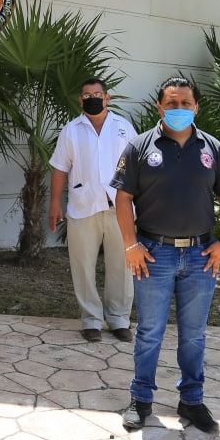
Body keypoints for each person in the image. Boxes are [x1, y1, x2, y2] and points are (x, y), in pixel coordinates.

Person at [113, 77, 220, 435]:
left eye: (185, 103)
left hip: (201, 256)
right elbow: (123, 198)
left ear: (196, 107)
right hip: (154, 254)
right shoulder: (139, 147)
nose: (179, 108)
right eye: (172, 103)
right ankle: (141, 400)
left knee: (194, 335)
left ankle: (192, 400)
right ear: (159, 107)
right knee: (149, 332)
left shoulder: (212, 148)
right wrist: (131, 245)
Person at [49, 78, 138, 342]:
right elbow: (60, 168)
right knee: (83, 266)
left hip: (120, 208)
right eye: (87, 95)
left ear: (107, 98)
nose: (92, 98)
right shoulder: (71, 130)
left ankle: (119, 319)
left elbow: (138, 166)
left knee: (122, 265)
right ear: (80, 100)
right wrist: (54, 203)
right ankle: (91, 320)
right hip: (83, 207)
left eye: (97, 94)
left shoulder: (123, 127)